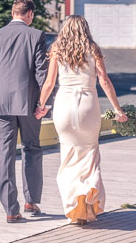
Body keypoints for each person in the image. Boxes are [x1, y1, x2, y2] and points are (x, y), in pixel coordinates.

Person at [35, 15, 127, 225]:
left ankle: (74, 208)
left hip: (64, 105)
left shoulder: (57, 49)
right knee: (89, 154)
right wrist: (117, 109)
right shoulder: (93, 49)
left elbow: (49, 83)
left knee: (68, 156)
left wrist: (41, 106)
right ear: (85, 28)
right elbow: (104, 80)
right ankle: (88, 202)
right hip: (87, 104)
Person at [0, 0, 48, 223]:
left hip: (0, 102)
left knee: (5, 155)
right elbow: (42, 72)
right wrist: (44, 103)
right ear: (29, 14)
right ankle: (31, 200)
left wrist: (0, 93)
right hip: (29, 103)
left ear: (13, 13)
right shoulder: (37, 36)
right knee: (31, 148)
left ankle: (11, 210)